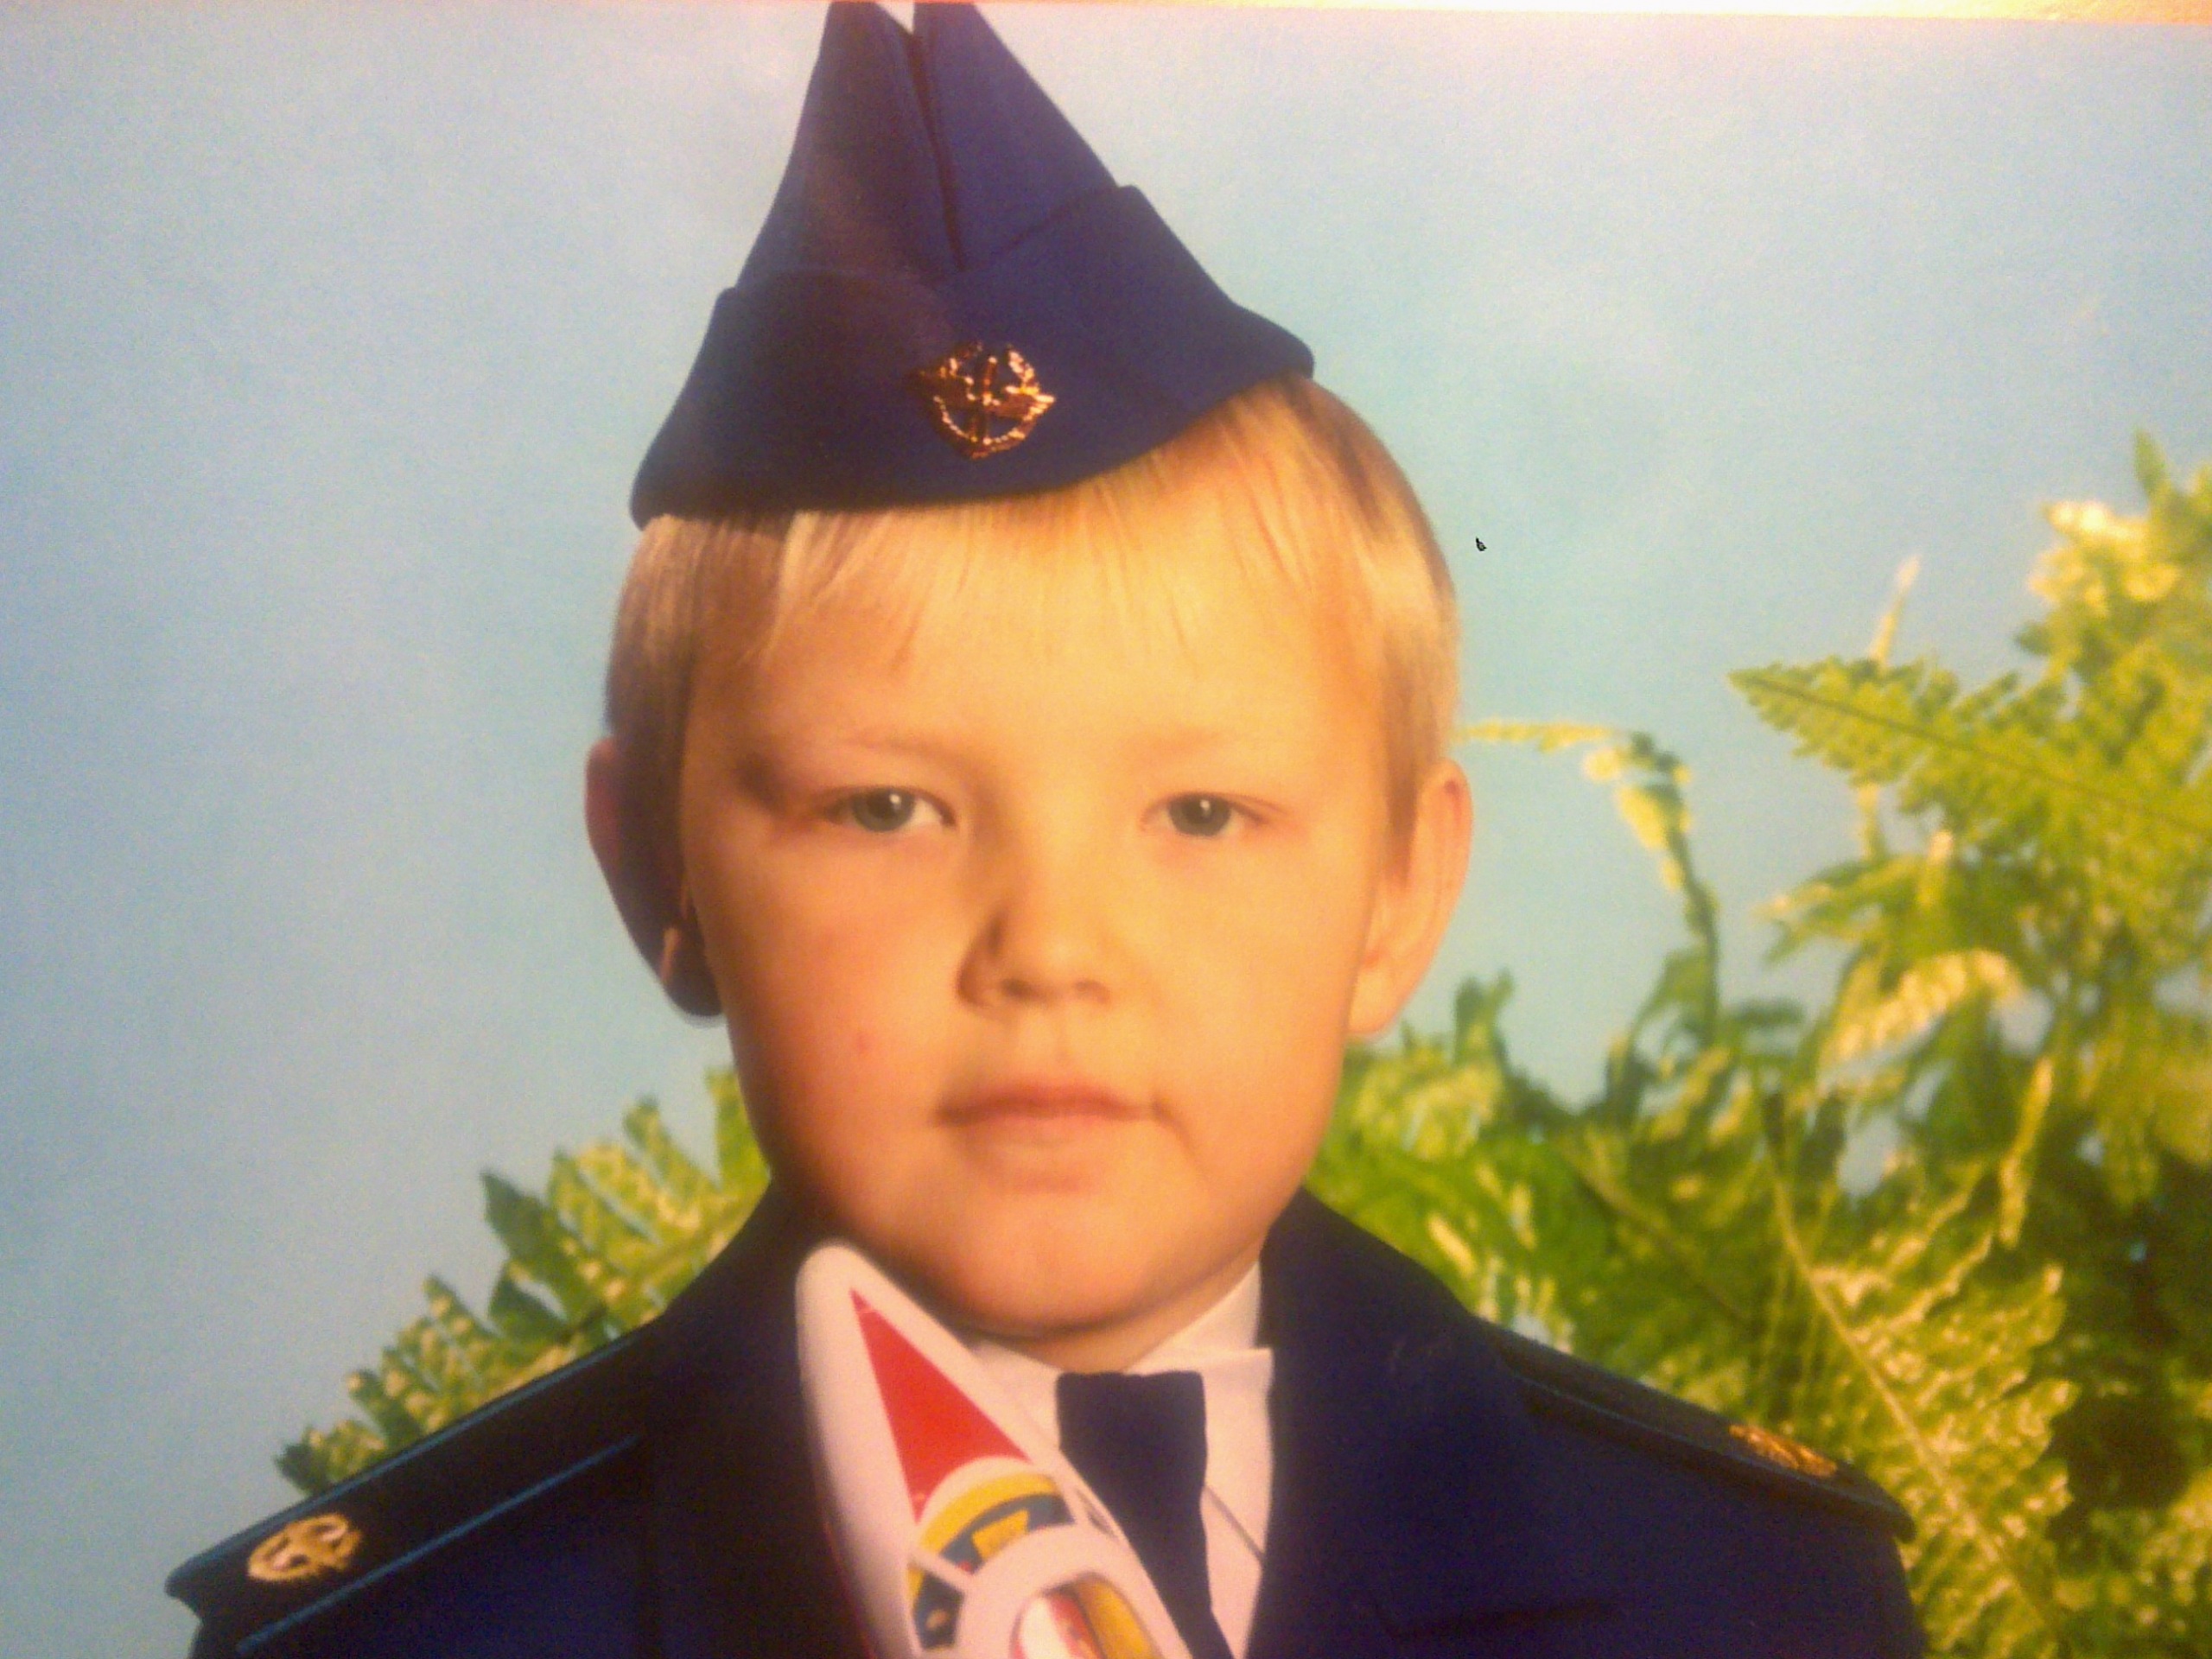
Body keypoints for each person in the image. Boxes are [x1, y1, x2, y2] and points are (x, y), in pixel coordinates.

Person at [168, 7, 1923, 1657]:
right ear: (658, 878)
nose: (1052, 949)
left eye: (1201, 813)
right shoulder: (414, 1634)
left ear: (1400, 893)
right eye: (886, 808)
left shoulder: (1749, 1594)